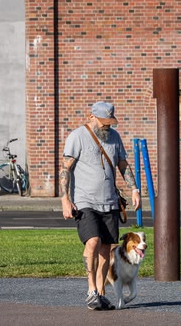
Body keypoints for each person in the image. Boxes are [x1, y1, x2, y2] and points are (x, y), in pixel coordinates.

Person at [60, 101, 141, 311]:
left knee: (106, 248)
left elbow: (122, 164)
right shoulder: (77, 137)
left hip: (110, 201)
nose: (107, 126)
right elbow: (66, 169)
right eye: (104, 122)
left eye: (110, 122)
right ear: (92, 116)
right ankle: (91, 291)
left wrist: (134, 189)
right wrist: (65, 199)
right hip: (85, 201)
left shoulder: (114, 137)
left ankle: (99, 291)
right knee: (93, 242)